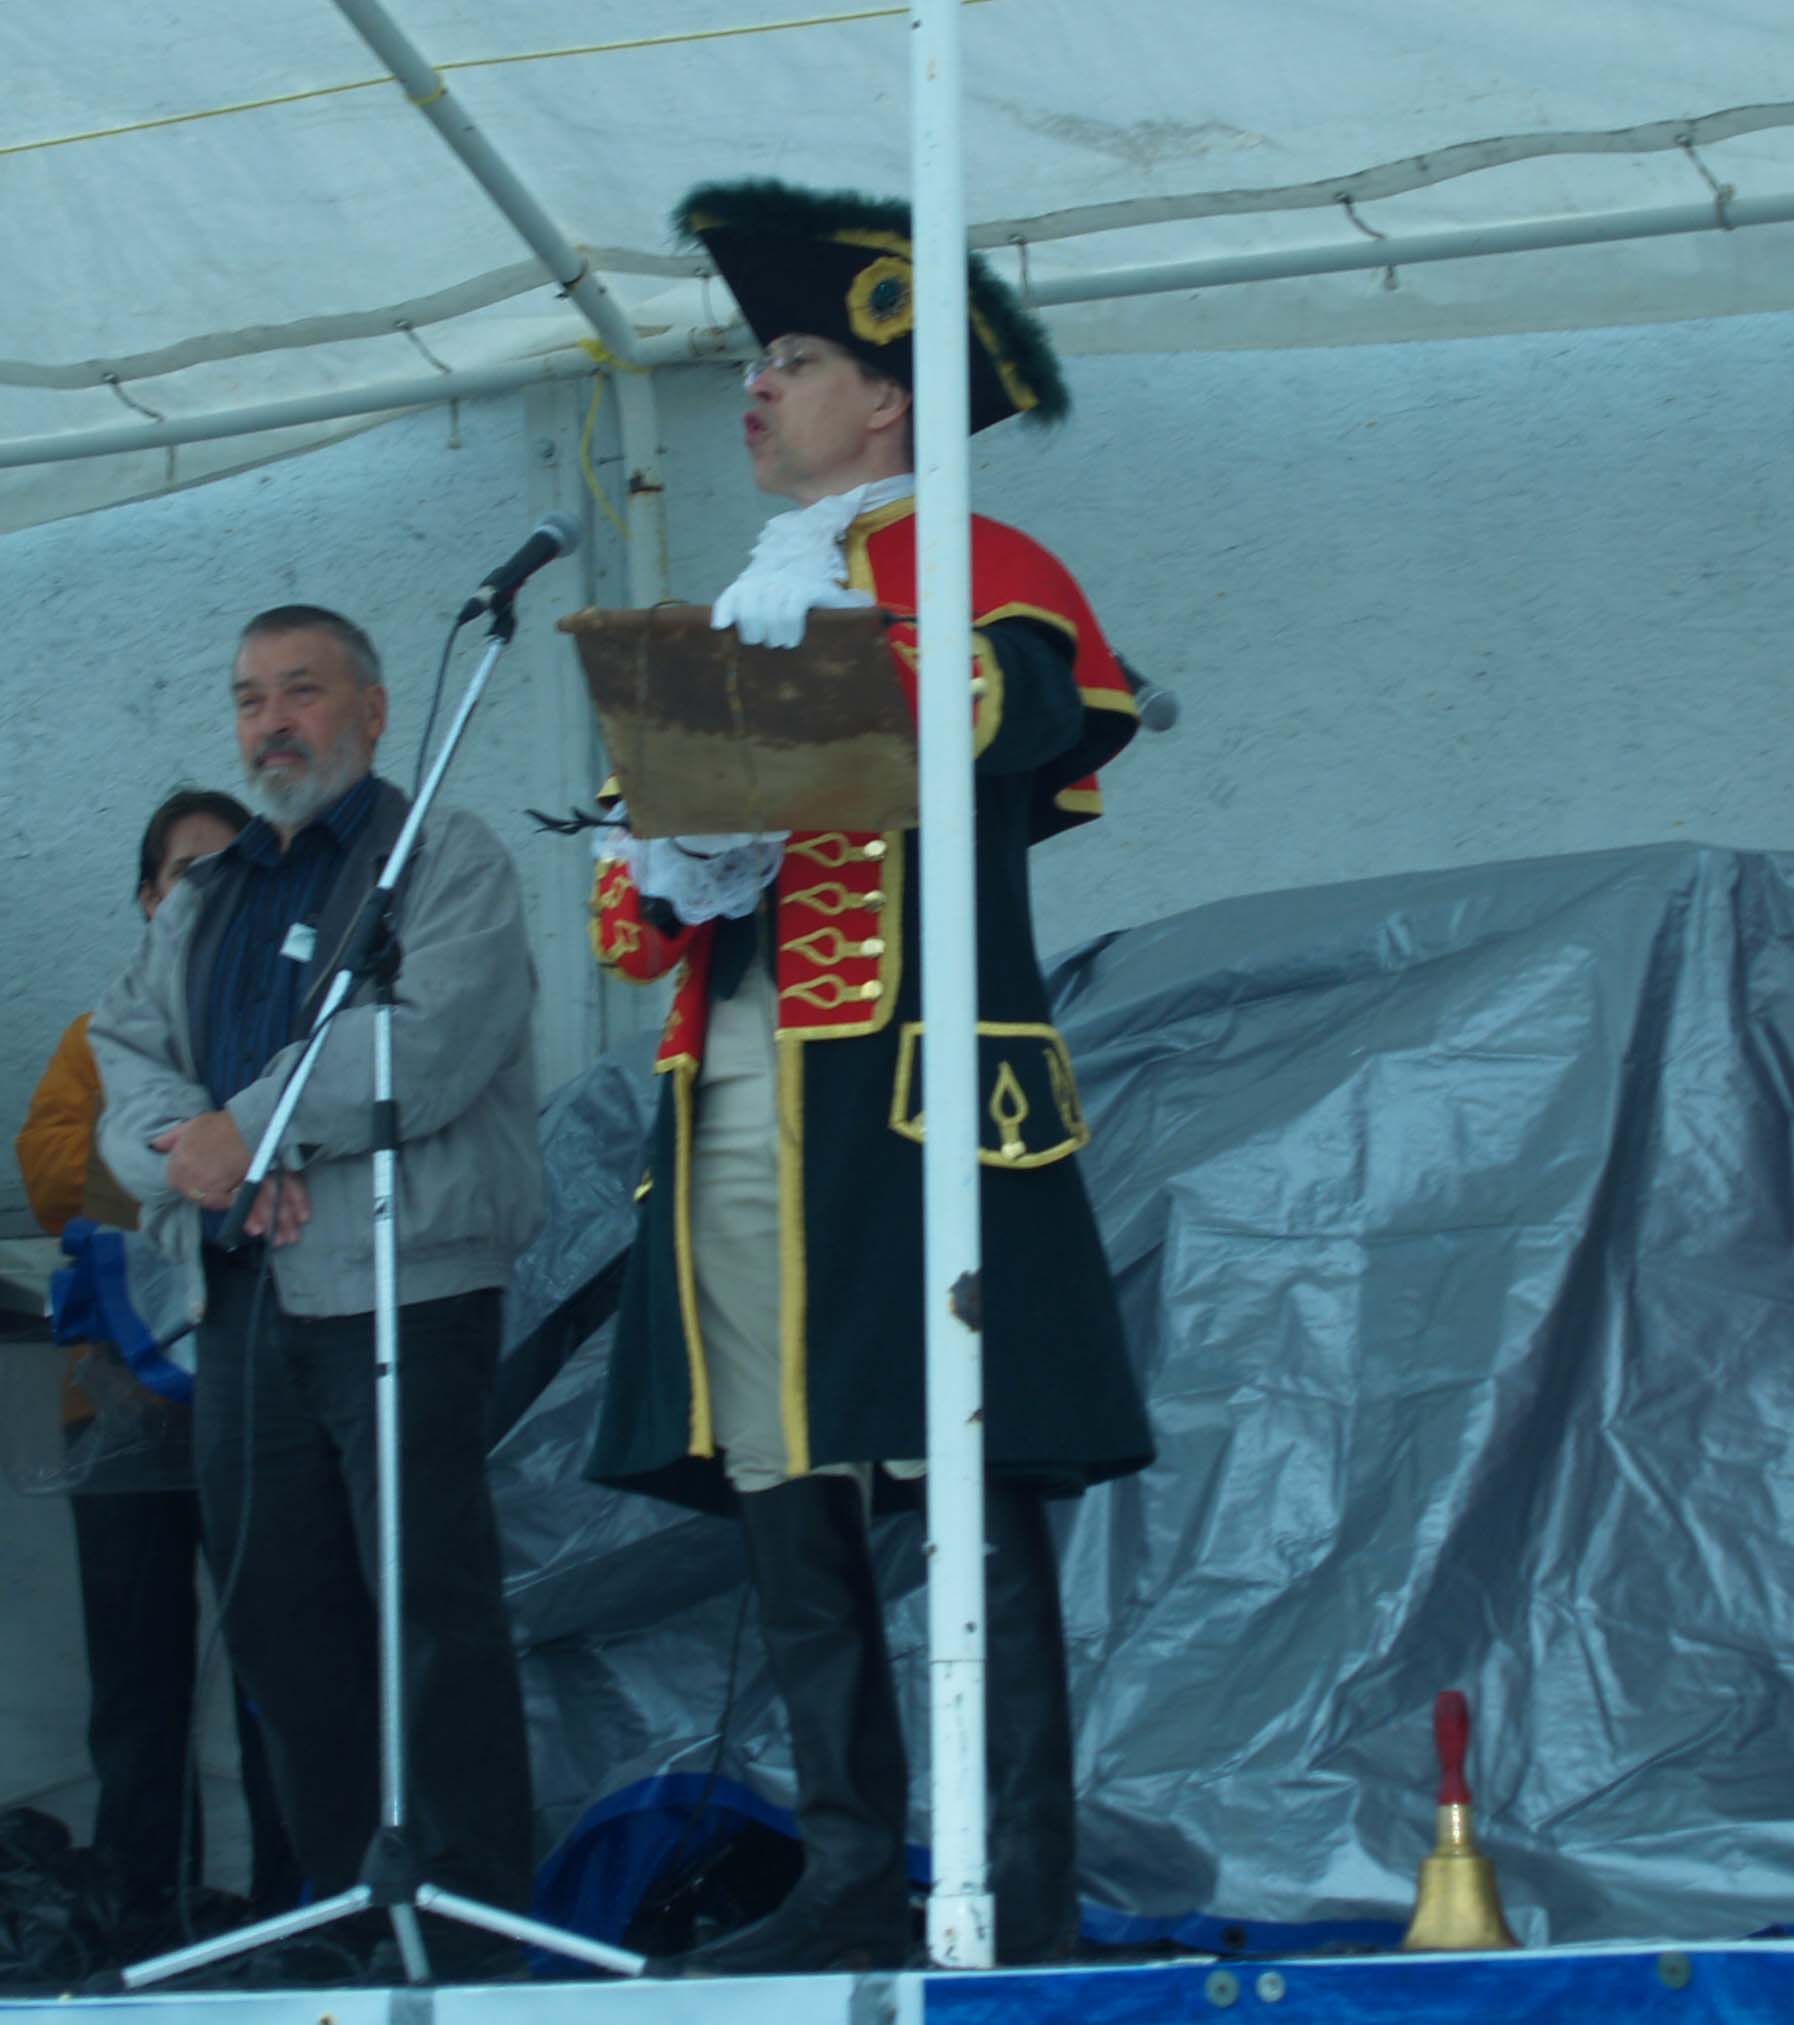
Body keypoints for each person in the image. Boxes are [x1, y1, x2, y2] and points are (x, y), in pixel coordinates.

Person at [582, 179, 1154, 1972]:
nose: (754, 389)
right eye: (754, 358)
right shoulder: (739, 598)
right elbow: (630, 920)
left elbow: (1032, 717)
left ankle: (1024, 1891)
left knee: (969, 1489)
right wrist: (679, 817)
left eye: (796, 356)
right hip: (739, 1092)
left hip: (909, 1098)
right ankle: (847, 1874)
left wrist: (818, 704)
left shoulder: (984, 564)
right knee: (784, 1484)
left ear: (892, 397)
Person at [88, 607, 543, 1961]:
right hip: (245, 1306)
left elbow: (439, 1040)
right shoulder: (214, 890)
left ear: (375, 709)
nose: (271, 722)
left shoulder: (443, 854)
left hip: (408, 1292)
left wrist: (258, 1126)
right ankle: (350, 1915)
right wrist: (196, 1151)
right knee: (281, 1627)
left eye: (301, 692)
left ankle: (470, 1936)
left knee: (431, 1620)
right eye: (248, 700)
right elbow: (126, 1060)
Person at [15, 787, 296, 1938]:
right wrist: (190, 1151)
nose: (202, 892)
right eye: (183, 874)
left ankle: (300, 1906)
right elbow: (46, 1171)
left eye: (228, 870)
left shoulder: (284, 1026)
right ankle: (142, 1917)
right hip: (118, 1408)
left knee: (287, 1661)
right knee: (137, 1685)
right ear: (146, 900)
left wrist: (179, 1153)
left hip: (266, 1395)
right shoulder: (97, 1036)